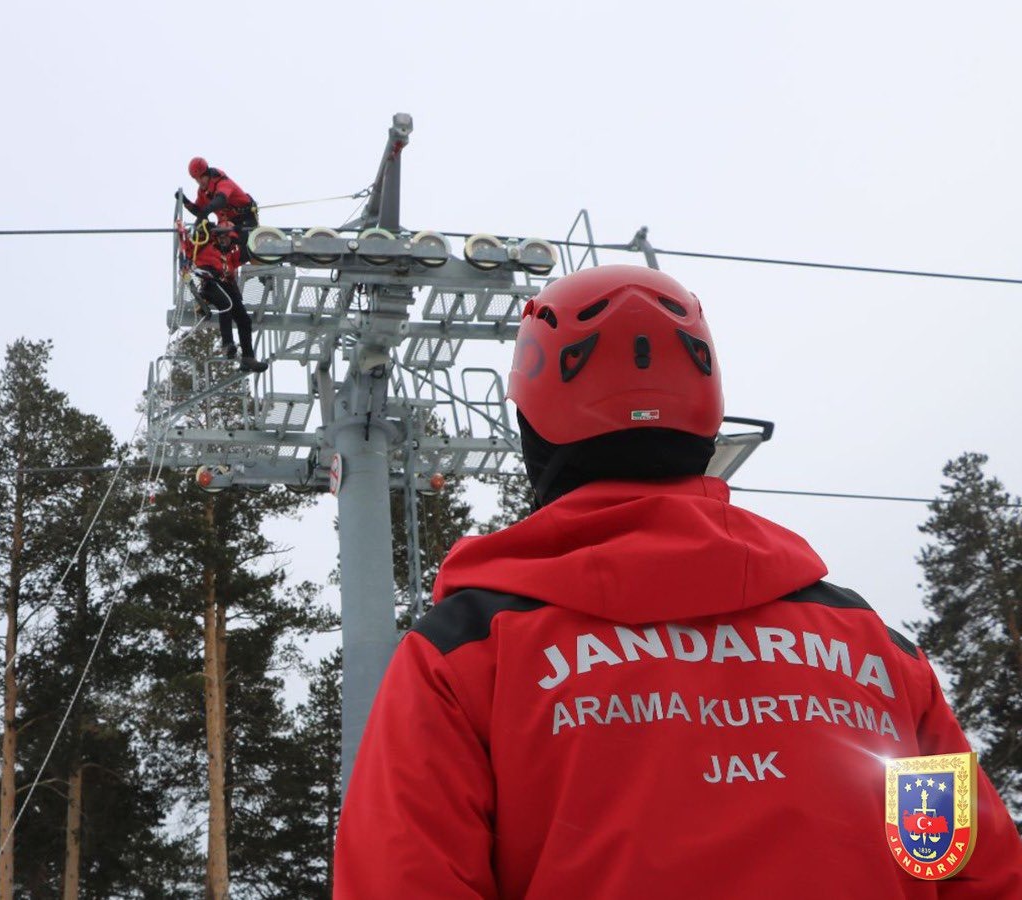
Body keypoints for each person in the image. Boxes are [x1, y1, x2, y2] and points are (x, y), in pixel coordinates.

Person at [334, 265, 1022, 898]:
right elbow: (974, 874)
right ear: (707, 414)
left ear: (533, 428)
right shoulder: (878, 654)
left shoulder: (469, 654)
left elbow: (403, 879)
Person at [178, 222, 267, 373]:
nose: (223, 240)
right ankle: (227, 344)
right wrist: (185, 231)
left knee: (244, 320)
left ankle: (248, 358)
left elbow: (245, 252)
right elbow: (191, 243)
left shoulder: (230, 256)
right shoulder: (205, 248)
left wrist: (242, 233)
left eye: (227, 238)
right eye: (221, 237)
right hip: (210, 283)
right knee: (226, 304)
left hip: (228, 286)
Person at [177, 156, 259, 257]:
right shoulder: (203, 192)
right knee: (210, 237)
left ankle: (233, 261)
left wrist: (205, 211)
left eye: (201, 178)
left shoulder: (223, 182)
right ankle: (207, 265)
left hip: (245, 220)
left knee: (231, 237)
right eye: (196, 179)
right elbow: (200, 211)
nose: (199, 182)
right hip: (227, 224)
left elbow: (221, 199)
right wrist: (186, 202)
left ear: (207, 173)